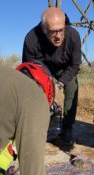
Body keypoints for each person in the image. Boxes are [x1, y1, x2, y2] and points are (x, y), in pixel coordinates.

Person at [22, 7, 82, 149]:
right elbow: (28, 69)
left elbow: (74, 66)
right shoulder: (31, 38)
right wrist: (46, 86)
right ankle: (37, 126)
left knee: (72, 85)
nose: (58, 36)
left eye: (61, 30)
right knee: (34, 92)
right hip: (41, 69)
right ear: (43, 29)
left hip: (64, 69)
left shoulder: (73, 36)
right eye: (53, 31)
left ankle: (67, 129)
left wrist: (59, 84)